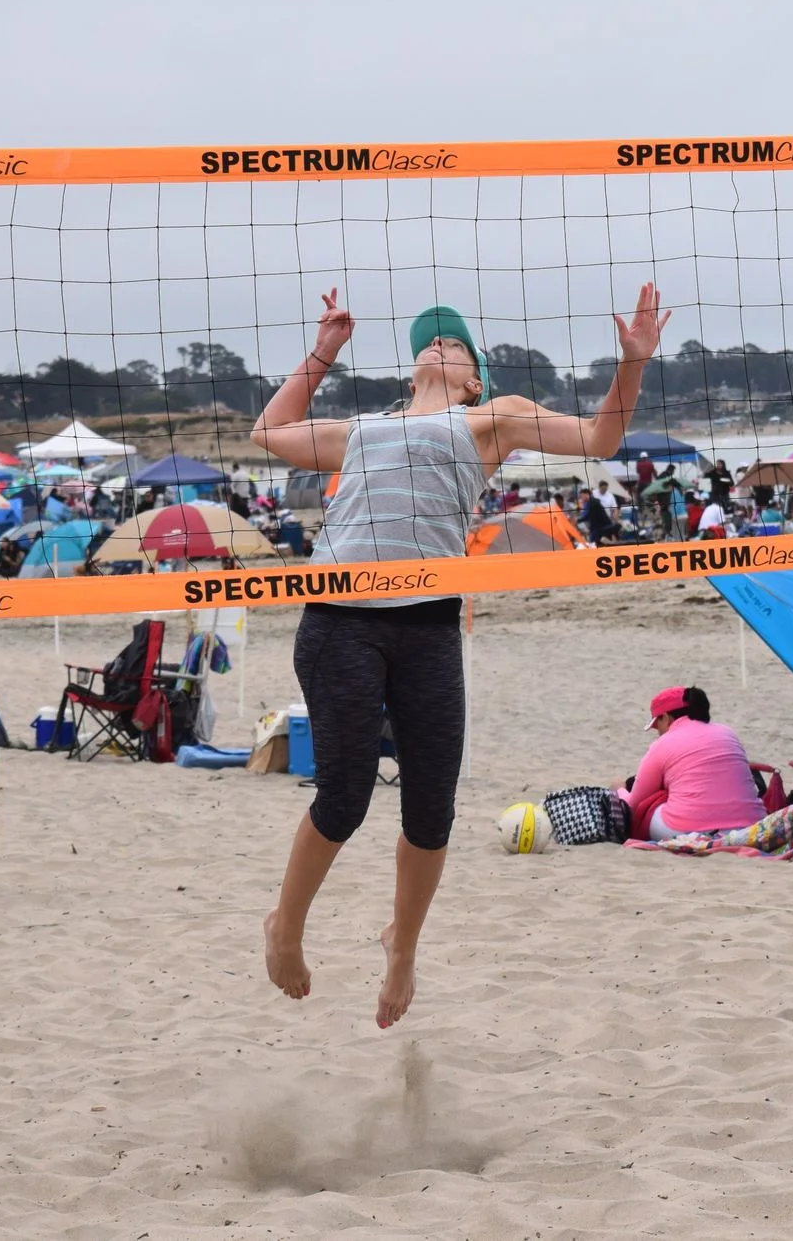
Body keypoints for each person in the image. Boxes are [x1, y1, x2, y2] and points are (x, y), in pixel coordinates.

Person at [253, 286, 670, 1029]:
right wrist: (325, 351)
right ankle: (285, 923)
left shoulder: (490, 418)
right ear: (413, 366)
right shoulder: (360, 430)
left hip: (428, 622)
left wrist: (631, 366)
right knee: (344, 798)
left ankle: (402, 945)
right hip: (340, 618)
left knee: (431, 810)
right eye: (429, 340)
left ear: (474, 376)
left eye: (456, 344)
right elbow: (268, 430)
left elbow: (602, 439)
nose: (440, 344)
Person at [620, 687, 764, 840]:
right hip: (750, 826)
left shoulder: (663, 743)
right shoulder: (727, 732)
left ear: (666, 717)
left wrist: (620, 790)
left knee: (653, 802)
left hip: (686, 829)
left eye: (658, 724)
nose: (658, 732)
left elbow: (633, 804)